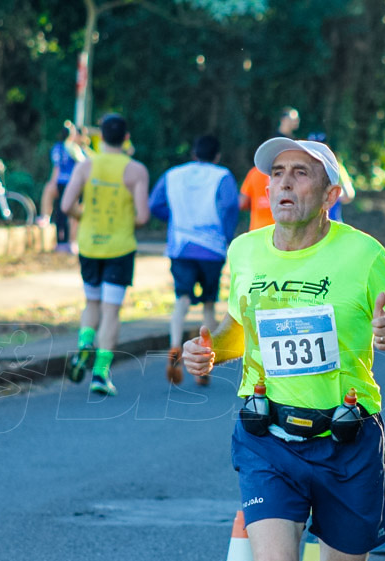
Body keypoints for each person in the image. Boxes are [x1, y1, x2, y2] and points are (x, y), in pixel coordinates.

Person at [180, 136, 385, 561]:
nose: (284, 182)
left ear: (330, 192)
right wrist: (208, 352)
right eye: (277, 173)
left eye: (301, 173)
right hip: (267, 435)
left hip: (347, 440)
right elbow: (240, 331)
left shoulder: (363, 254)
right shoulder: (246, 250)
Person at [61, 113, 150, 396]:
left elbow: (66, 205)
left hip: (89, 245)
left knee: (92, 301)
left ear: (100, 137)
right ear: (126, 138)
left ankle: (86, 341)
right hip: (119, 247)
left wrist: (84, 216)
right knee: (111, 310)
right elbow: (143, 216)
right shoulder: (136, 170)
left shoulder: (86, 165)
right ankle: (100, 372)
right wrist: (124, 221)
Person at [148, 135, 239, 385]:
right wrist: (226, 234)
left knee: (182, 300)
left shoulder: (173, 174)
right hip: (212, 248)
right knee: (209, 304)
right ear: (217, 155)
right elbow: (231, 206)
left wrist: (174, 218)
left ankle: (174, 348)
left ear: (193, 153)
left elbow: (154, 204)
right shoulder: (222, 176)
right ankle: (204, 361)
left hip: (181, 246)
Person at [41, 123, 84, 252]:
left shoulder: (59, 148)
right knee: (71, 212)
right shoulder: (73, 147)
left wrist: (53, 182)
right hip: (73, 183)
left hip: (62, 182)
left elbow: (57, 167)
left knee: (61, 211)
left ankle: (62, 242)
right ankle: (70, 242)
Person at [239, 166, 275, 232]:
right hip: (279, 228)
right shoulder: (283, 172)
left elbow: (242, 203)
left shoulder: (254, 172)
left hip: (257, 229)